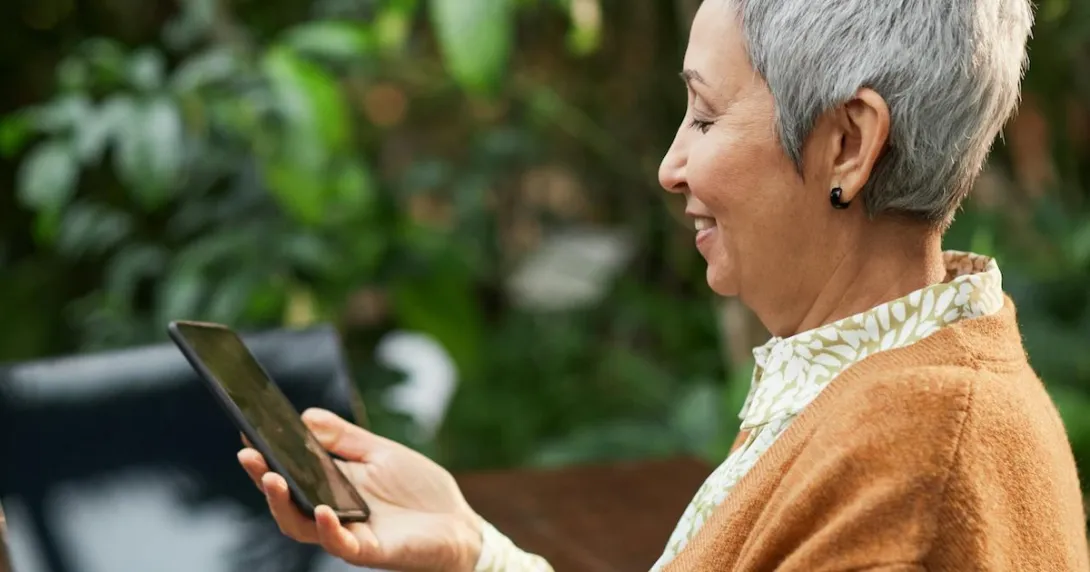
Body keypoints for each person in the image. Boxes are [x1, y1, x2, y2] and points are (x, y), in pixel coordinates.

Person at [239, 0, 1090, 570]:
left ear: (847, 144)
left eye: (707, 116)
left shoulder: (910, 469)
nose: (671, 166)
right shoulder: (890, 390)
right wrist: (472, 547)